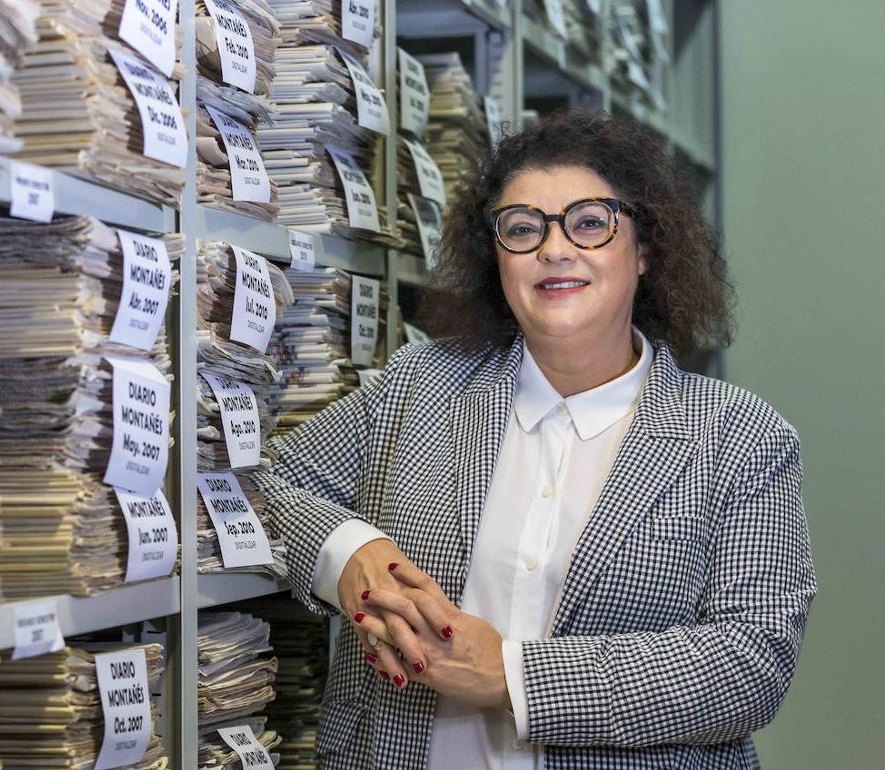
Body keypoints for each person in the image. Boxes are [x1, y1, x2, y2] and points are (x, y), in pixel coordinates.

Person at [255, 109, 816, 769]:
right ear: (495, 257)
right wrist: (349, 553)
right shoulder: (421, 383)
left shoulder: (742, 437)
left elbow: (751, 661)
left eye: (589, 223)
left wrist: (515, 676)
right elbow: (263, 482)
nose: (553, 249)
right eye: (522, 229)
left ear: (644, 249)